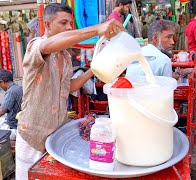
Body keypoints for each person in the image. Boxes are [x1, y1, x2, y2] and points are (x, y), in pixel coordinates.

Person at [16, 3, 124, 179]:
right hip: (32, 137)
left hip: (56, 135)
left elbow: (68, 88)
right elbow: (47, 45)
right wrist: (97, 29)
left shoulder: (65, 57)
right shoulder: (36, 46)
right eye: (63, 23)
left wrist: (94, 68)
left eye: (70, 24)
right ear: (48, 25)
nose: (68, 27)